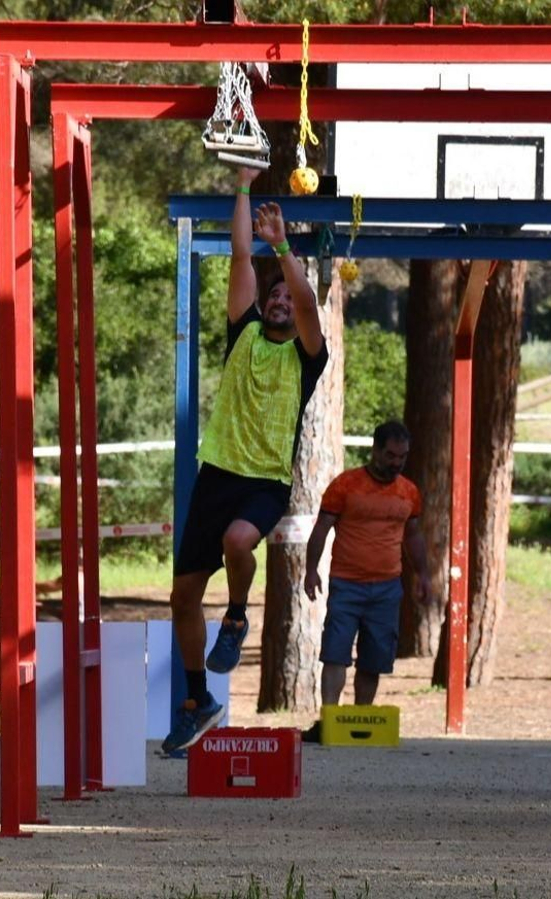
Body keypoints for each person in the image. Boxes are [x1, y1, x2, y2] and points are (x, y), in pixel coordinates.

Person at [161, 166, 328, 754]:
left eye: (287, 297)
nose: (281, 300)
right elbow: (238, 258)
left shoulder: (308, 355)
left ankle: (236, 616)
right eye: (273, 295)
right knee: (182, 598)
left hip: (264, 483)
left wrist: (283, 247)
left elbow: (306, 299)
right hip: (217, 475)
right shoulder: (245, 334)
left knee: (239, 541)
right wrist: (242, 183)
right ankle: (196, 699)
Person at [299, 421, 433, 744]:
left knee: (374, 658)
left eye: (402, 456)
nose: (396, 462)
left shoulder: (409, 492)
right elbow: (321, 529)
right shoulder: (345, 485)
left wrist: (423, 574)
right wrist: (311, 569)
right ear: (375, 450)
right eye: (390, 455)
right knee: (335, 652)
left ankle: (361, 721)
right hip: (346, 584)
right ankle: (330, 720)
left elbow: (413, 536)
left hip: (387, 587)